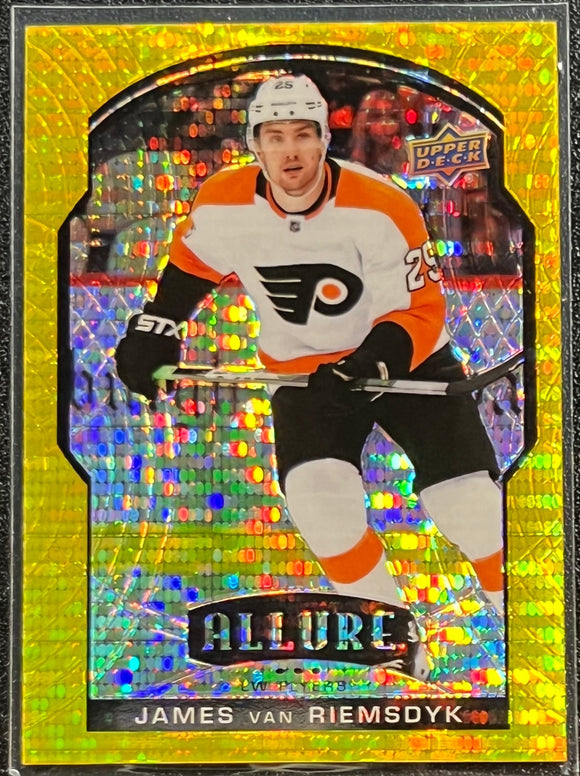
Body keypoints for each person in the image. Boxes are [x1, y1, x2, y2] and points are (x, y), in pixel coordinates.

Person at [115, 74, 505, 683]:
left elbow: (420, 312)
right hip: (303, 375)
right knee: (321, 507)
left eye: (303, 135)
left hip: (407, 364)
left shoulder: (382, 205)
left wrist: (367, 364)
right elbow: (193, 263)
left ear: (326, 139)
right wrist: (157, 326)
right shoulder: (222, 199)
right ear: (255, 144)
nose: (290, 151)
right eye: (274, 137)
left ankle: (523, 615)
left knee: (468, 505)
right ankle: (392, 642)